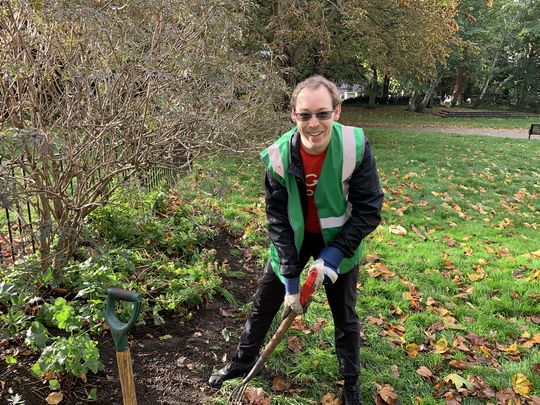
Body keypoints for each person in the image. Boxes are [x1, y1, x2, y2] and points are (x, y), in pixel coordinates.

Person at [208, 75, 384, 405]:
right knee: (264, 303)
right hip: (295, 238)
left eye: (322, 114)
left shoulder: (354, 147)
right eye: (305, 115)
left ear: (337, 111)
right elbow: (277, 218)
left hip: (339, 241)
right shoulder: (278, 157)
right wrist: (290, 279)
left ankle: (351, 385)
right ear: (293, 115)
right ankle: (243, 361)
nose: (313, 123)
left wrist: (335, 255)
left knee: (345, 316)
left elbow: (369, 208)